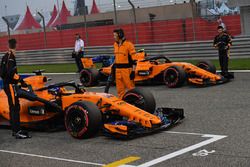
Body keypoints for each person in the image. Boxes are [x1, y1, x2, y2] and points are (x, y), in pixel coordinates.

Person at [0, 39, 31, 139]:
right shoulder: (11, 57)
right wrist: (21, 81)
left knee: (13, 107)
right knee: (14, 108)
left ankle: (15, 130)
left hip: (7, 85)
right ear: (15, 45)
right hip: (10, 86)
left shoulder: (5, 56)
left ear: (8, 45)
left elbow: (2, 72)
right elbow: (11, 73)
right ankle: (17, 131)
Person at [113, 29, 137, 98]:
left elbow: (134, 60)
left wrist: (133, 71)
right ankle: (122, 103)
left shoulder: (129, 45)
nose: (114, 37)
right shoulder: (115, 45)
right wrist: (113, 67)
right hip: (118, 70)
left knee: (131, 89)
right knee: (120, 90)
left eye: (115, 35)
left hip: (127, 71)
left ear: (120, 35)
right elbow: (116, 57)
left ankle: (134, 102)